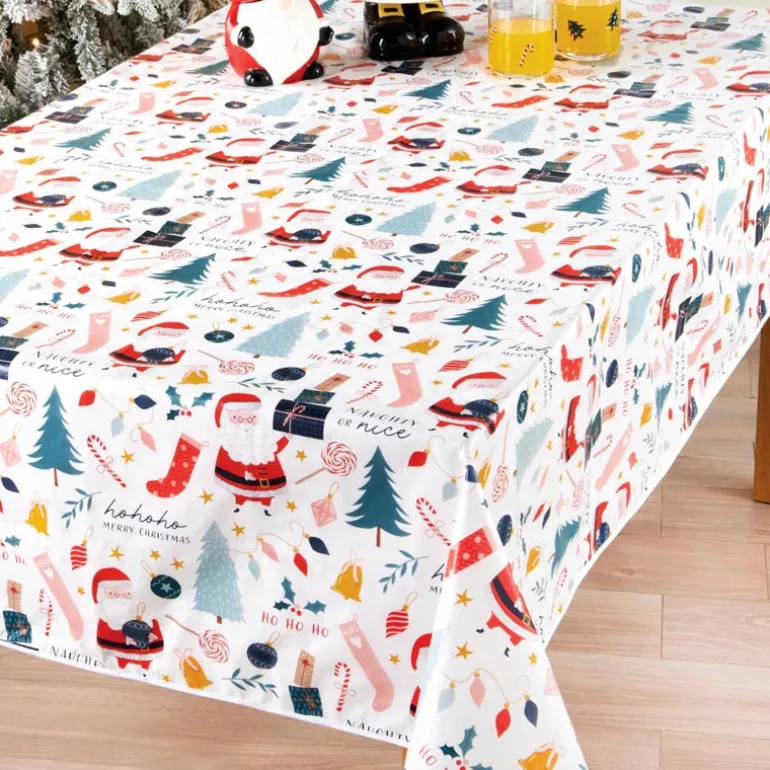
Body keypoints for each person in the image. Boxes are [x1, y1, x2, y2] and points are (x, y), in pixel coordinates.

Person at [213, 393, 289, 515]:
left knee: (266, 494)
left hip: (266, 477)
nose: (244, 423)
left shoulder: (264, 443)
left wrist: (287, 438)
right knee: (238, 491)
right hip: (235, 477)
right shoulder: (230, 444)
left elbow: (274, 448)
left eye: (251, 419)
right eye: (237, 418)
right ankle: (238, 505)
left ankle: (266, 508)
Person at [92, 567, 163, 671]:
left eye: (127, 594)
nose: (122, 598)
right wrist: (127, 639)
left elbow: (156, 634)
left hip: (146, 660)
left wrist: (151, 637)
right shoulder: (105, 619)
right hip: (113, 661)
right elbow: (105, 636)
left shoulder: (143, 614)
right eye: (113, 594)